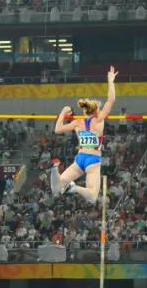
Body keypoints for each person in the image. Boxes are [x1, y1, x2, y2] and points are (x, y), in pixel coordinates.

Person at [50, 66, 117, 204]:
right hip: (92, 160)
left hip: (80, 158)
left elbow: (57, 129)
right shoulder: (99, 120)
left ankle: (54, 169)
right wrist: (110, 81)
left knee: (56, 189)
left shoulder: (77, 123)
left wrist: (63, 112)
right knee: (92, 197)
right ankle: (74, 188)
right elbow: (111, 100)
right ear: (96, 110)